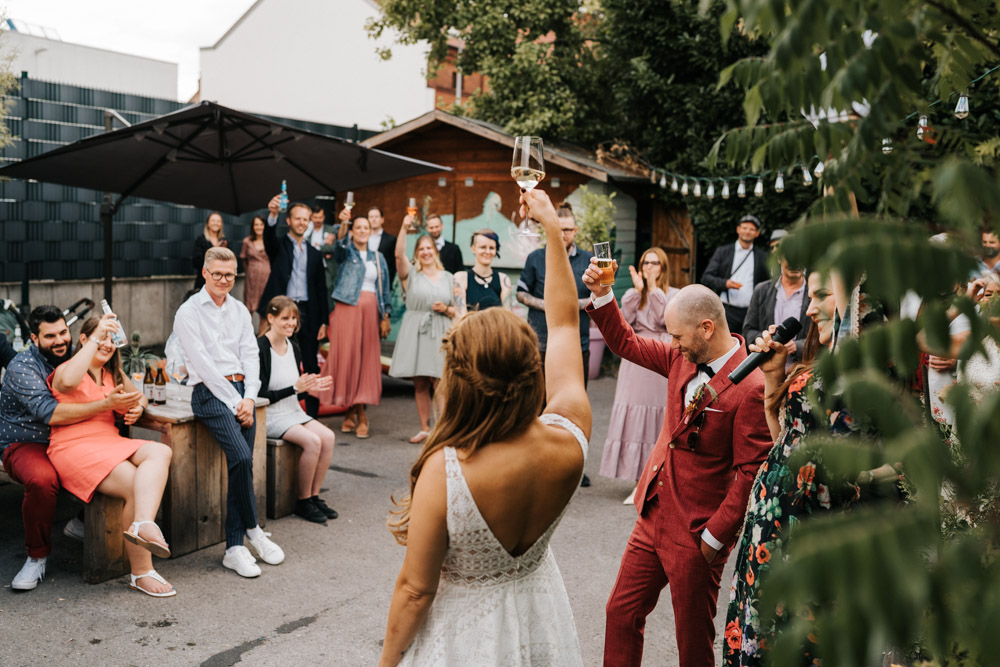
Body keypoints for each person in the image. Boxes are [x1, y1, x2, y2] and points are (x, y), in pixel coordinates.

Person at [379, 188, 591, 666]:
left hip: (462, 640)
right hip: (541, 619)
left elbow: (415, 590)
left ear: (460, 379)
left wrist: (387, 663)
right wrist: (552, 231)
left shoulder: (446, 470)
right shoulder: (570, 436)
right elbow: (562, 326)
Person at [584, 268, 772, 666]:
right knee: (621, 611)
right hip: (652, 513)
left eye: (677, 336)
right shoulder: (678, 358)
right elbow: (626, 342)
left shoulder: (752, 387)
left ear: (706, 328)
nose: (672, 344)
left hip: (697, 531)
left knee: (692, 644)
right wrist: (603, 294)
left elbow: (749, 473)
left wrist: (713, 540)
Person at [724, 271, 896, 666]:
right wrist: (772, 376)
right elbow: (784, 436)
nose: (810, 307)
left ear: (857, 302)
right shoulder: (821, 362)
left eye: (822, 296)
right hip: (772, 523)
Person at [174, 246, 285, 578]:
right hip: (210, 394)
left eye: (230, 275)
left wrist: (250, 397)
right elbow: (203, 366)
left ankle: (234, 548)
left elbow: (251, 355)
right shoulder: (188, 312)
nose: (224, 280)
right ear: (205, 273)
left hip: (242, 395)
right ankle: (252, 530)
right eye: (217, 274)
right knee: (241, 458)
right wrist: (234, 401)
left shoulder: (239, 310)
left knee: (242, 466)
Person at [48, 314, 176, 597]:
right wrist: (95, 340)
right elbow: (67, 383)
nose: (107, 344)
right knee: (134, 484)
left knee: (161, 450)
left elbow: (139, 396)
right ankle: (142, 572)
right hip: (72, 446)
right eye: (101, 337)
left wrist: (138, 409)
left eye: (111, 339)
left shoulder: (111, 374)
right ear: (84, 340)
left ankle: (143, 523)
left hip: (107, 441)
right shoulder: (68, 369)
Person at [0, 305, 123, 591]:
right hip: (26, 440)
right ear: (34, 338)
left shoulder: (75, 356)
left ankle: (82, 522)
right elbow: (50, 413)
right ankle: (36, 556)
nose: (59, 341)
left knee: (116, 456)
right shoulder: (22, 367)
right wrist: (105, 406)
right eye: (50, 336)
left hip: (69, 436)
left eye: (63, 333)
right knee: (44, 480)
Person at [517, 202, 595, 486]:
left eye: (567, 229)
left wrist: (572, 306)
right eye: (558, 228)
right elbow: (521, 294)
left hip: (578, 342)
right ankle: (534, 461)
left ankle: (573, 464)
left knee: (573, 404)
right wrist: (552, 306)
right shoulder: (536, 257)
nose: (562, 234)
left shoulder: (588, 259)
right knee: (536, 402)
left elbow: (598, 297)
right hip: (539, 340)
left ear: (575, 231)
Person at [599, 248, 679, 504]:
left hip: (660, 356)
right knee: (634, 416)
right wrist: (635, 292)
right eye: (646, 262)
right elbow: (626, 321)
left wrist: (653, 288)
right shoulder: (636, 294)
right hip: (635, 359)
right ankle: (636, 481)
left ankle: (654, 480)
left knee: (657, 416)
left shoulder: (673, 295)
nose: (649, 267)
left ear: (663, 267)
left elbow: (664, 320)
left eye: (655, 263)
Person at [257, 296, 338, 524]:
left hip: (292, 412)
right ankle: (303, 501)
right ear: (270, 318)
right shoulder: (260, 348)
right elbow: (260, 395)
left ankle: (314, 496)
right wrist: (295, 388)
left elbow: (296, 392)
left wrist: (310, 388)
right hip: (270, 415)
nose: (291, 323)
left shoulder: (293, 346)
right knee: (313, 442)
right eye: (285, 318)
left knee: (328, 437)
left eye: (294, 318)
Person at [318, 214, 392, 438]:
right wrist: (345, 223)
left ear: (370, 231)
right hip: (347, 309)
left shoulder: (378, 258)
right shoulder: (345, 253)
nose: (361, 230)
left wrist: (385, 315)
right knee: (348, 360)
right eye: (357, 227)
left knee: (365, 361)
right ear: (352, 231)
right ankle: (360, 415)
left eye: (365, 227)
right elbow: (336, 246)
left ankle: (353, 412)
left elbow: (384, 288)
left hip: (371, 312)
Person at [259, 197, 329, 419]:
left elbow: (321, 289)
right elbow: (268, 238)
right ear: (288, 220)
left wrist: (324, 321)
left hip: (308, 312)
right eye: (298, 218)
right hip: (281, 310)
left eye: (305, 219)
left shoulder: (315, 254)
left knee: (310, 363)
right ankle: (271, 407)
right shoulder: (279, 246)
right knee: (274, 357)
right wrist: (272, 214)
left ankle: (311, 415)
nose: (302, 222)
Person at [389, 218, 457, 444]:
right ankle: (424, 428)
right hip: (416, 330)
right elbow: (399, 255)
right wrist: (403, 228)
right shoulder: (411, 275)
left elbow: (459, 308)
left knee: (440, 382)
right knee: (420, 382)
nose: (426, 252)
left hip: (441, 330)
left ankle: (444, 429)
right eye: (421, 249)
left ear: (435, 251)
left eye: (429, 248)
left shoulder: (449, 277)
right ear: (417, 253)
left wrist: (446, 309)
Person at [700, 214, 770, 334]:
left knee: (749, 348)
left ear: (757, 233)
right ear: (738, 229)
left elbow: (767, 283)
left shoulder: (762, 256)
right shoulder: (723, 252)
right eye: (744, 228)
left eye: (752, 229)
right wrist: (725, 283)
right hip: (727, 311)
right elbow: (706, 278)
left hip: (751, 312)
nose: (747, 232)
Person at [741, 257, 810, 364]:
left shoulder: (814, 293)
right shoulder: (761, 290)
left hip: (801, 370)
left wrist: (798, 346)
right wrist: (767, 341)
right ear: (779, 258)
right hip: (767, 368)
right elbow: (748, 330)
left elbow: (825, 336)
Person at [452, 228, 512, 312]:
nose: (487, 252)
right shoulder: (461, 278)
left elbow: (507, 316)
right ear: (473, 249)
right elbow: (460, 316)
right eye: (483, 247)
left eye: (491, 248)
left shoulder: (503, 280)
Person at [239, 215, 271, 317]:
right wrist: (250, 271)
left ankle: (263, 332)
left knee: (266, 307)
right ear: (252, 227)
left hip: (267, 278)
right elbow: (244, 259)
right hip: (252, 279)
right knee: (249, 305)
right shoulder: (247, 241)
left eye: (261, 224)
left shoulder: (269, 241)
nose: (259, 227)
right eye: (256, 225)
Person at [193, 211, 228, 290]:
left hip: (220, 280)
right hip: (204, 280)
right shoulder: (201, 240)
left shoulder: (223, 241)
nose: (216, 223)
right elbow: (196, 262)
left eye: (218, 221)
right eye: (213, 220)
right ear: (207, 224)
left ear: (221, 224)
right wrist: (213, 250)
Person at [368, 206, 399, 287]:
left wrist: (388, 283)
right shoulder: (363, 238)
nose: (373, 219)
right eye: (371, 217)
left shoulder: (391, 239)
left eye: (376, 217)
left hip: (383, 283)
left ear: (382, 220)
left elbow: (393, 264)